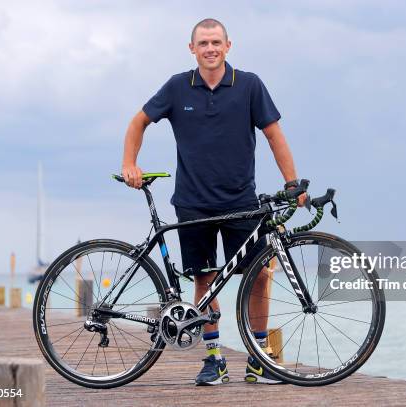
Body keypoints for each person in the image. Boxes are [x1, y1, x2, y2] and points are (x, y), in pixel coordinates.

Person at [121, 18, 305, 386]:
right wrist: (129, 162)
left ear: (228, 46)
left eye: (216, 42)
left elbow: (274, 135)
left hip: (241, 200)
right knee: (204, 280)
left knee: (260, 277)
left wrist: (292, 182)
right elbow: (138, 122)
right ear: (192, 49)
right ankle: (213, 358)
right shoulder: (177, 87)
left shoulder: (250, 85)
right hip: (193, 202)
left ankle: (260, 358)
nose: (210, 49)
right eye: (203, 43)